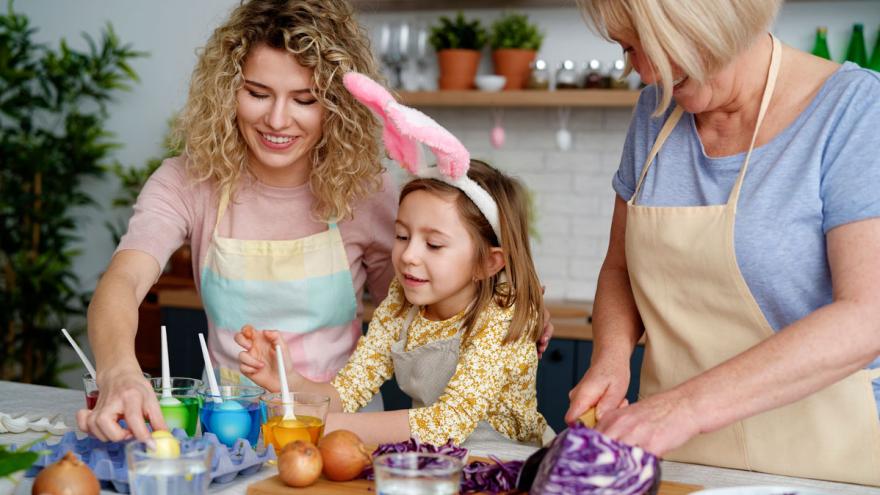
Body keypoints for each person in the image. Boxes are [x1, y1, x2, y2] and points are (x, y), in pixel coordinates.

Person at [565, 0, 880, 486]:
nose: (644, 73)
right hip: (679, 458)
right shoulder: (654, 113)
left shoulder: (855, 110)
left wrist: (685, 408)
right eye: (628, 50)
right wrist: (610, 358)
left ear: (711, 23)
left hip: (826, 462)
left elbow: (867, 316)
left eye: (651, 46)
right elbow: (620, 268)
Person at [78, 0, 398, 443]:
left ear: (339, 105)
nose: (277, 120)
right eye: (258, 93)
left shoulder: (367, 191)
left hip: (342, 438)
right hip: (227, 433)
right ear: (227, 90)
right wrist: (119, 372)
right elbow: (124, 280)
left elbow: (408, 315)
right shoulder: (188, 181)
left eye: (305, 99)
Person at [238, 75, 551, 446]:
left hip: (508, 459)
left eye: (434, 244)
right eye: (402, 236)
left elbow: (446, 422)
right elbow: (347, 392)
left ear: (488, 263)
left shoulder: (501, 317)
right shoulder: (400, 305)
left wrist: (323, 426)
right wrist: (288, 382)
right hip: (438, 459)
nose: (409, 255)